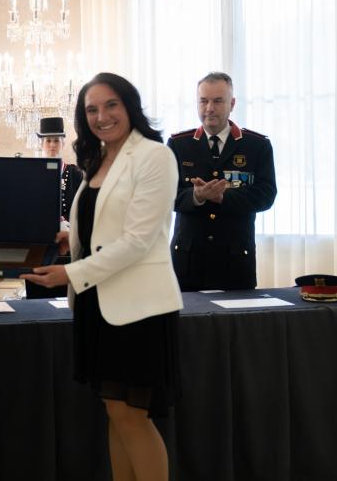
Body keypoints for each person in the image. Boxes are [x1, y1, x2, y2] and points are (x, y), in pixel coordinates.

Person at [22, 72, 183, 481]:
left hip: (137, 307)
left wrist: (70, 272)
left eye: (111, 104)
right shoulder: (97, 159)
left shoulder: (154, 155)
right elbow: (99, 229)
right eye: (91, 109)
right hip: (98, 302)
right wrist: (67, 238)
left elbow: (138, 241)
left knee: (133, 418)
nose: (102, 116)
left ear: (130, 105)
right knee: (116, 413)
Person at [167, 72, 277, 291]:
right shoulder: (179, 145)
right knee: (186, 324)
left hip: (235, 259)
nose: (209, 108)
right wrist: (195, 197)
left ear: (232, 103)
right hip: (187, 261)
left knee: (236, 325)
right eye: (203, 101)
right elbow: (164, 197)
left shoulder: (256, 145)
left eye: (218, 101)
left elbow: (266, 195)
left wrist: (224, 197)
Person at [25, 116, 84, 299]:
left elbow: (83, 210)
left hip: (68, 249)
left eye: (56, 140)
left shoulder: (75, 173)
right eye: (48, 140)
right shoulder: (29, 174)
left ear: (63, 142)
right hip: (38, 249)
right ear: (41, 143)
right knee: (37, 301)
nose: (52, 145)